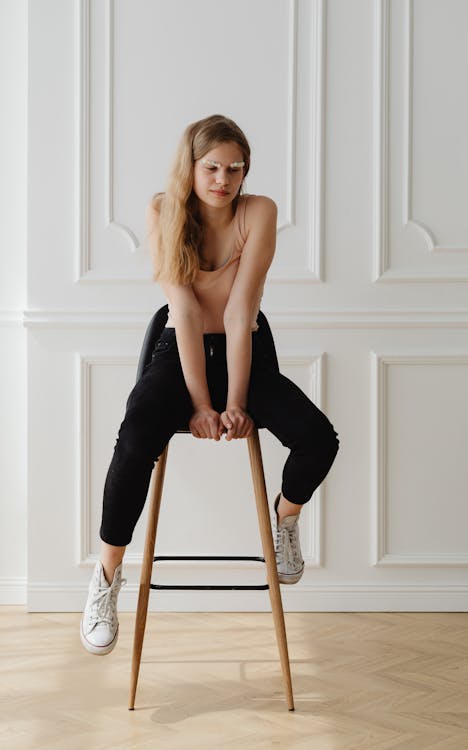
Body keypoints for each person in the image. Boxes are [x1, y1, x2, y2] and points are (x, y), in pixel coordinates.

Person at [80, 114, 340, 656]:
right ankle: (105, 578)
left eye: (235, 169)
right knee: (133, 443)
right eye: (212, 167)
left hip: (246, 348)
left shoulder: (258, 212)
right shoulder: (163, 211)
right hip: (180, 351)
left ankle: (285, 520)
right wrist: (201, 404)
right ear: (192, 167)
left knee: (319, 437)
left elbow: (243, 308)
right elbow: (184, 309)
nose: (223, 180)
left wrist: (238, 401)